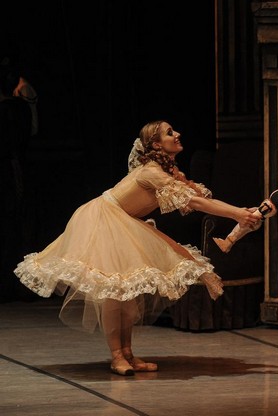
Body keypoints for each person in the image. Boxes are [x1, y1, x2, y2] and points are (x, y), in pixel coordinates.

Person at [14, 120, 260, 376]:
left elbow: (197, 199)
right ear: (157, 145)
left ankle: (128, 353)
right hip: (103, 219)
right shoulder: (152, 173)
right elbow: (196, 203)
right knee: (114, 290)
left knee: (128, 295)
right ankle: (117, 356)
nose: (177, 134)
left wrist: (240, 211)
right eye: (169, 133)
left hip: (125, 221)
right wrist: (237, 214)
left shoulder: (167, 171)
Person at [0, 64, 31, 303]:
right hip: (13, 169)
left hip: (10, 170)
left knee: (11, 225)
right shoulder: (20, 108)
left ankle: (11, 285)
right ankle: (14, 285)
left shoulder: (14, 109)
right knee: (13, 225)